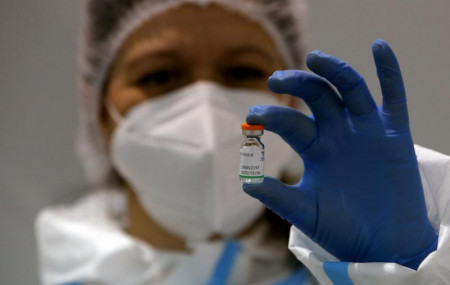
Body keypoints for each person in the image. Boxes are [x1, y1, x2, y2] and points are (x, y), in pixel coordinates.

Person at [35, 0, 450, 284]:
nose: (206, 104)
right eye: (159, 76)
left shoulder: (346, 271)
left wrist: (403, 271)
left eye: (240, 71)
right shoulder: (73, 266)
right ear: (100, 113)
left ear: (289, 99)